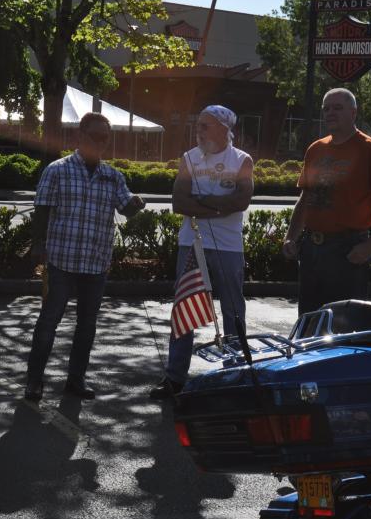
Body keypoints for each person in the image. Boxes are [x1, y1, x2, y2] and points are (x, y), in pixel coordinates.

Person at [25, 112, 145, 402]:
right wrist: (37, 244)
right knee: (49, 322)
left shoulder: (113, 176)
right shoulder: (57, 170)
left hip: (95, 262)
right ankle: (34, 381)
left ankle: (75, 380)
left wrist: (136, 204)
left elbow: (126, 207)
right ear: (79, 136)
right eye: (96, 136)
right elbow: (42, 209)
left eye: (106, 138)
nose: (101, 143)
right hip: (62, 260)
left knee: (87, 325)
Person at [149, 105, 254, 400]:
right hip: (191, 243)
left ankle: (236, 374)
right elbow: (179, 202)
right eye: (199, 125)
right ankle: (175, 378)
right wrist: (220, 205)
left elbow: (241, 201)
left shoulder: (242, 160)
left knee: (233, 309)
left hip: (229, 246)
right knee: (184, 307)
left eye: (205, 126)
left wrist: (202, 202)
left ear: (223, 129)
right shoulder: (189, 158)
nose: (199, 130)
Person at [282, 88, 371, 314]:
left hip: (347, 251)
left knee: (344, 323)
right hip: (311, 249)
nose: (330, 113)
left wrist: (370, 246)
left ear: (353, 112)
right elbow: (305, 198)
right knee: (310, 321)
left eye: (337, 108)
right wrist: (291, 236)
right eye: (326, 109)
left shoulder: (370, 149)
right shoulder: (315, 149)